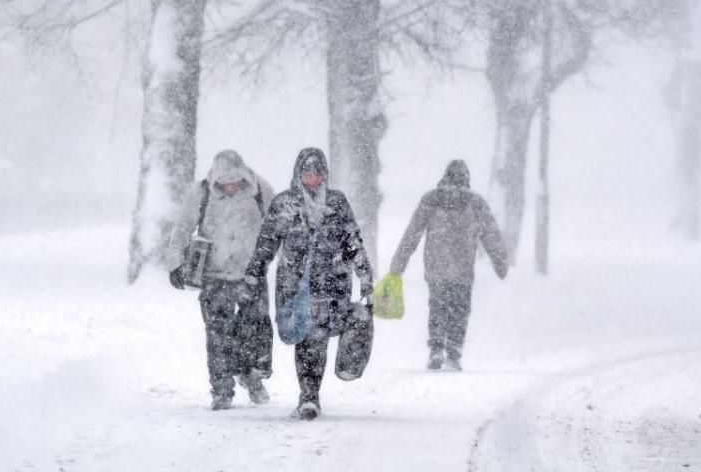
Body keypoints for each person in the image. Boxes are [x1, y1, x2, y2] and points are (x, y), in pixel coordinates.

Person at [241, 147, 373, 420]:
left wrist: (365, 274)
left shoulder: (336, 203)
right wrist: (254, 273)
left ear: (325, 175)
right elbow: (266, 243)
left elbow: (352, 241)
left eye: (318, 173)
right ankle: (309, 395)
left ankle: (310, 395)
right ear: (298, 174)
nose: (313, 179)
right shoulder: (284, 204)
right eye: (307, 174)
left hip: (333, 283)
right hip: (295, 285)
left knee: (318, 338)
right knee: (307, 339)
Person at [166, 150, 275, 411]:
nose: (229, 186)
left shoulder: (261, 190)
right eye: (223, 182)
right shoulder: (201, 192)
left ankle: (251, 375)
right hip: (214, 276)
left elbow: (277, 227)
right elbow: (182, 227)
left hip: (252, 273)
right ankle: (222, 389)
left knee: (254, 330)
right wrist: (175, 264)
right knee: (217, 335)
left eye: (234, 181)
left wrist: (281, 259)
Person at [384, 160, 507, 371]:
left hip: (436, 266)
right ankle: (454, 352)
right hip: (463, 267)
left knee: (438, 305)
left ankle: (436, 348)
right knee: (460, 308)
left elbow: (412, 234)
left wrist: (398, 265)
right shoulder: (476, 203)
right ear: (466, 179)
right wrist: (500, 263)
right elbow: (492, 236)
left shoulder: (431, 199)